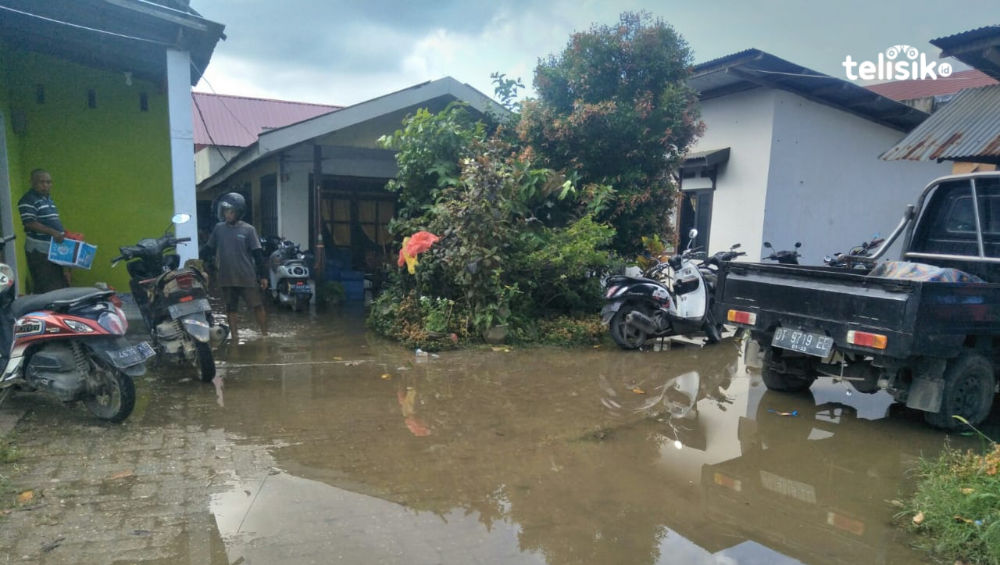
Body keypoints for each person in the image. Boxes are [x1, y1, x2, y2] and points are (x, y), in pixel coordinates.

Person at [201, 193, 268, 342]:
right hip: (226, 277)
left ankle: (264, 335)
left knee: (257, 305)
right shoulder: (219, 229)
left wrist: (263, 276)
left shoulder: (249, 230)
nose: (227, 214)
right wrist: (197, 259)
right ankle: (235, 337)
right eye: (225, 211)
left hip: (246, 276)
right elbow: (208, 249)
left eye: (230, 211)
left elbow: (258, 254)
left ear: (238, 212)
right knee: (231, 308)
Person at [18, 169, 72, 293]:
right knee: (47, 286)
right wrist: (53, 232)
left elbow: (50, 220)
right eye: (41, 182)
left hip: (53, 249)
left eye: (48, 182)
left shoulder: (47, 199)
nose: (46, 185)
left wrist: (63, 233)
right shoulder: (28, 200)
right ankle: (46, 312)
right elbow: (29, 223)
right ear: (32, 182)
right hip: (39, 251)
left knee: (59, 283)